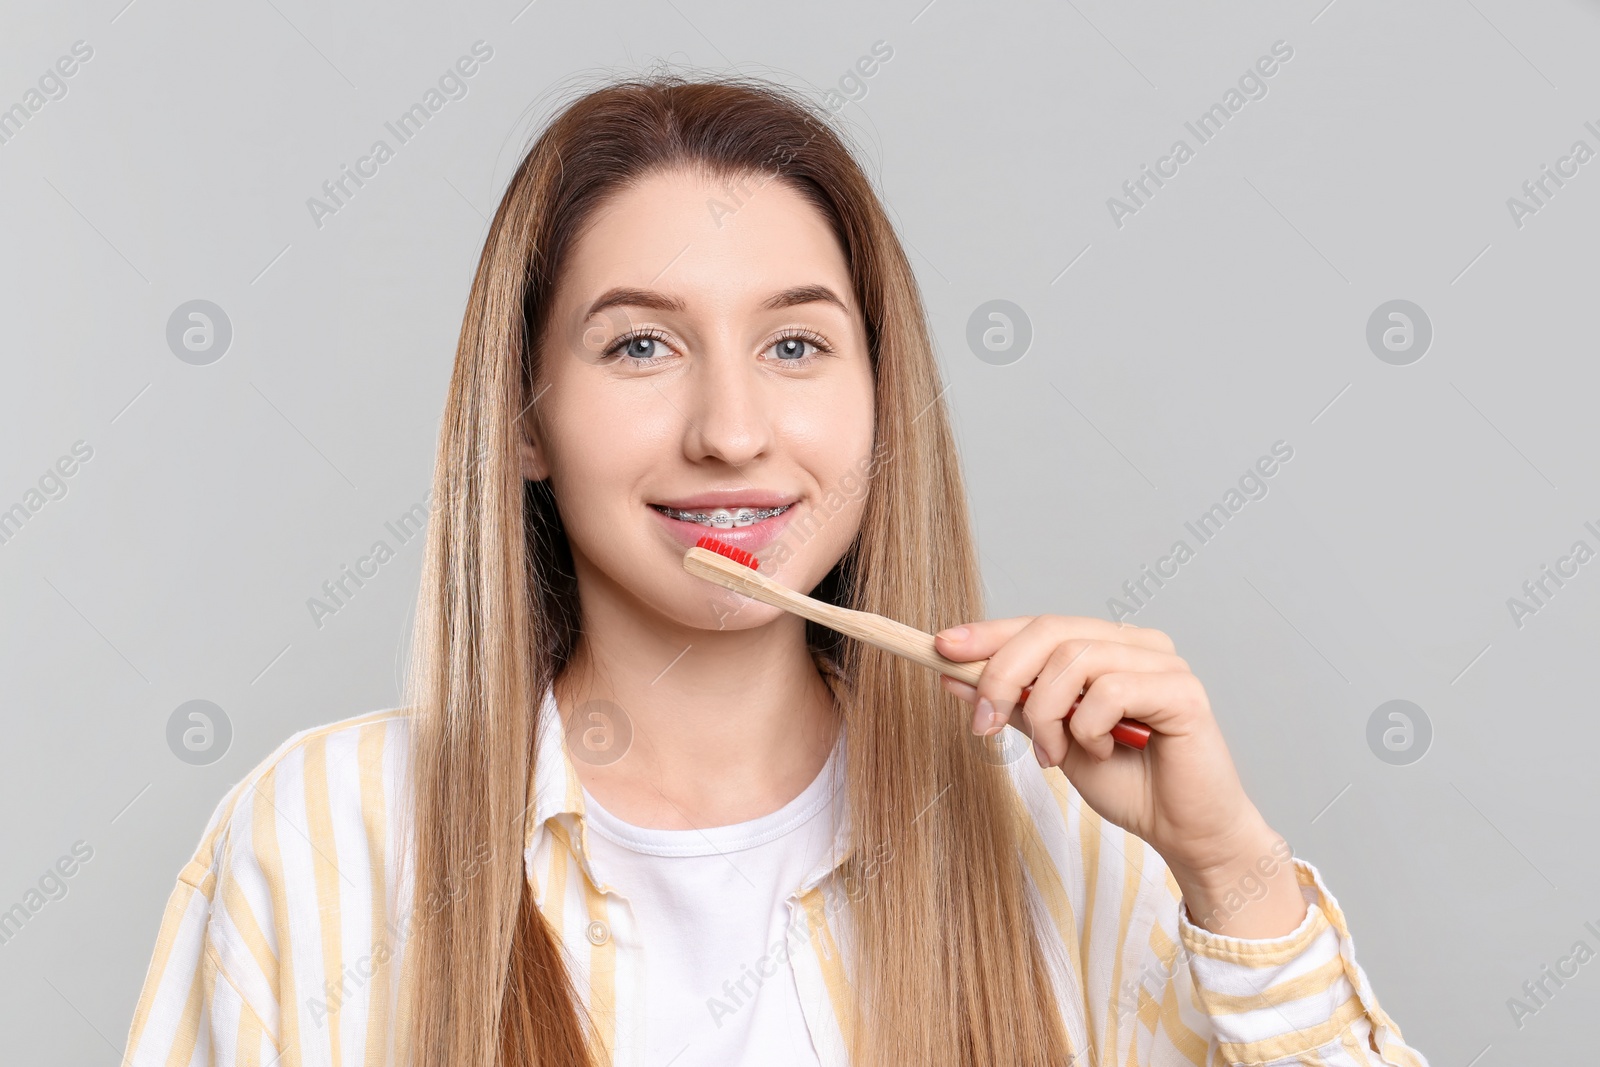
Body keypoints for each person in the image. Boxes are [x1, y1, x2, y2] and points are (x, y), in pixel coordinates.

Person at [123, 73, 1430, 1067]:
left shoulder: (1072, 834)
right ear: (523, 418)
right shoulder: (316, 841)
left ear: (878, 397)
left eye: (796, 348)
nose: (732, 431)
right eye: (642, 347)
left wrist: (1236, 876)